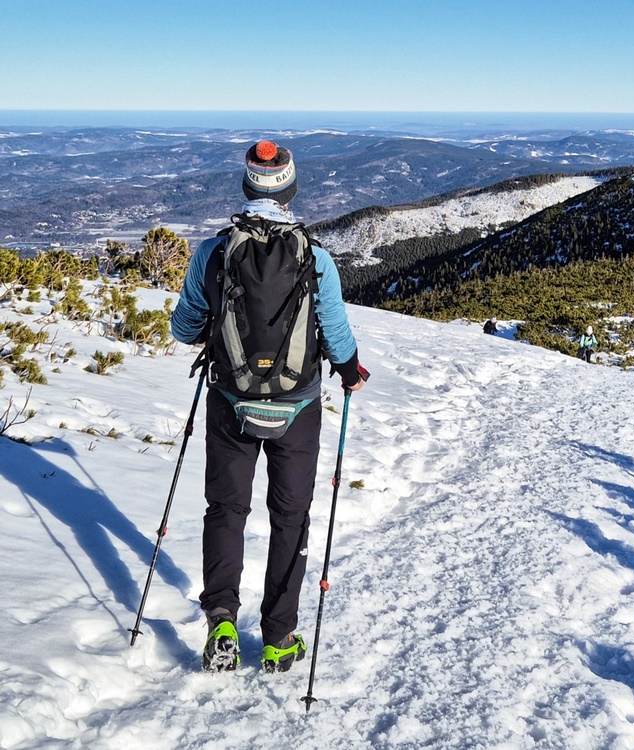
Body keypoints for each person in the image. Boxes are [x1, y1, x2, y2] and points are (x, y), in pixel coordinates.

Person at [170, 140, 366, 674]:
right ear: (291, 187)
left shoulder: (212, 252)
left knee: (227, 510)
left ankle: (223, 622)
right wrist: (350, 371)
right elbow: (336, 332)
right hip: (297, 407)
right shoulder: (316, 257)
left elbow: (184, 325)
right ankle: (279, 640)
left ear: (247, 185)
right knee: (291, 517)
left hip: (230, 400)